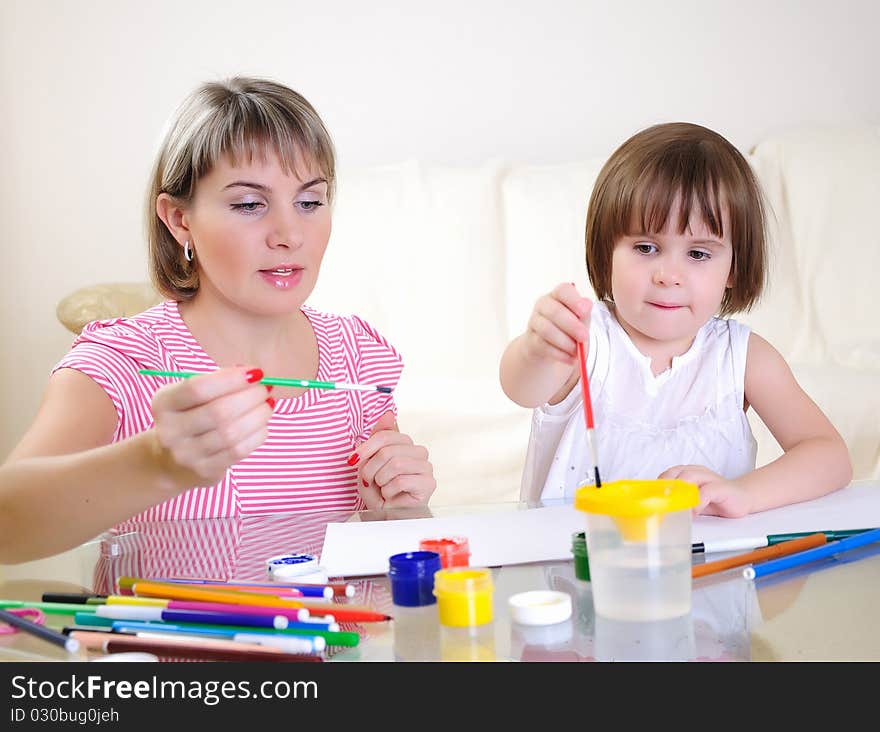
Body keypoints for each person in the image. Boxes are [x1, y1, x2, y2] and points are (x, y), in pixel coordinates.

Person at [0, 76, 435, 563]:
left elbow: (384, 569)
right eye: (250, 204)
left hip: (330, 640)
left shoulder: (358, 358)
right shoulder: (123, 361)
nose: (290, 233)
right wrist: (156, 463)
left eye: (310, 201)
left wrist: (399, 511)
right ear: (178, 219)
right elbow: (6, 524)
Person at [499, 122, 851, 516]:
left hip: (705, 570)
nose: (668, 274)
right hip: (577, 569)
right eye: (646, 247)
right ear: (606, 253)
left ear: (734, 268)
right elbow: (520, 388)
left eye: (698, 254)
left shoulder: (744, 357)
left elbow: (829, 455)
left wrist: (744, 494)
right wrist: (538, 346)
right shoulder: (588, 339)